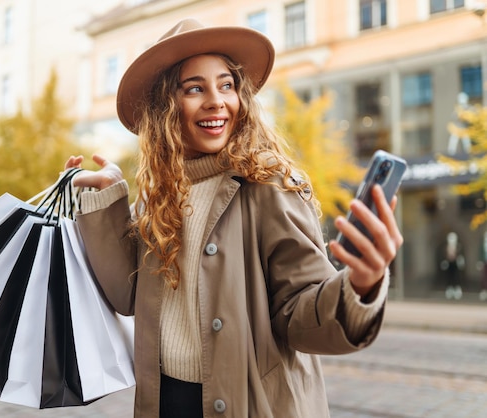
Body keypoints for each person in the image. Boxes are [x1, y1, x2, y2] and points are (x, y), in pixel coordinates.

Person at [66, 19, 403, 418]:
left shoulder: (270, 184)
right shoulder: (158, 196)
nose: (216, 100)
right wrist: (107, 198)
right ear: (165, 108)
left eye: (226, 85)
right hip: (166, 404)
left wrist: (360, 286)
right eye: (195, 88)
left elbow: (299, 315)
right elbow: (126, 296)